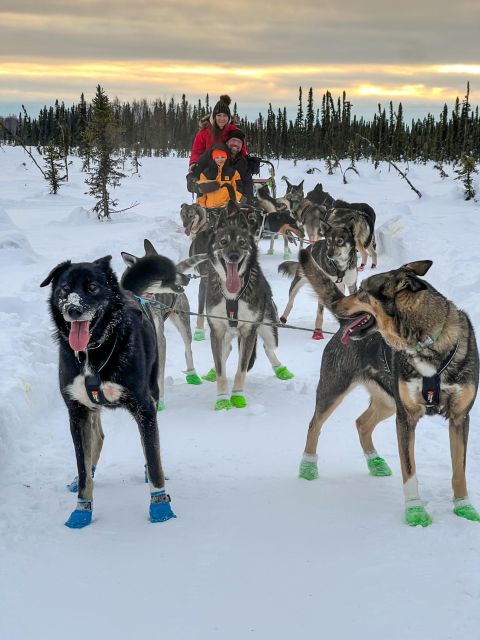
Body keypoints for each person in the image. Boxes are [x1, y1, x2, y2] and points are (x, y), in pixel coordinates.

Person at [189, 129, 254, 204]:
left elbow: (247, 183)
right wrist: (192, 181)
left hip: (231, 205)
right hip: (210, 204)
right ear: (227, 142)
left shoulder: (243, 162)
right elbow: (197, 172)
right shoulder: (212, 155)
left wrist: (246, 201)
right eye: (233, 140)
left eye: (239, 142)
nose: (236, 144)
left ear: (242, 146)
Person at [188, 95, 247, 170]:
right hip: (209, 169)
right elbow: (197, 151)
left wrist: (247, 162)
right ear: (214, 117)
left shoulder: (235, 132)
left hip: (230, 169)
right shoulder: (204, 132)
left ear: (228, 117)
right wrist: (193, 163)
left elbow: (242, 151)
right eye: (219, 115)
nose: (222, 119)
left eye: (225, 116)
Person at [194, 144, 242, 209]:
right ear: (213, 158)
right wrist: (201, 207)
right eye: (217, 157)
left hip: (227, 208)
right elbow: (202, 193)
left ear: (226, 157)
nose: (220, 159)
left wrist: (234, 203)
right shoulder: (205, 174)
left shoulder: (233, 173)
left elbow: (238, 189)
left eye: (222, 157)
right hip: (210, 208)